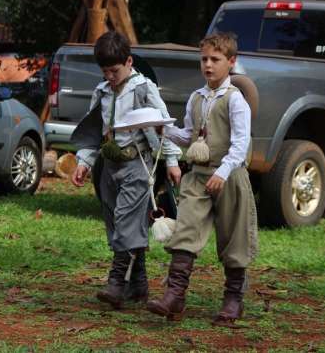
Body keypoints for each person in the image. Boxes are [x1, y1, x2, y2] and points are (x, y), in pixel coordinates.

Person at [147, 32, 258, 325]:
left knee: (234, 238)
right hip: (198, 175)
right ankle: (175, 296)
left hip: (229, 175)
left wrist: (223, 172)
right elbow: (189, 134)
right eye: (204, 59)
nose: (208, 65)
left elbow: (240, 143)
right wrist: (163, 130)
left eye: (215, 60)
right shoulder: (197, 98)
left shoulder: (236, 100)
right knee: (186, 229)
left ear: (231, 62)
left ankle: (233, 299)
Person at [70, 31, 181, 309]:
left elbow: (163, 126)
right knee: (115, 222)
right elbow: (95, 130)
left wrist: (171, 162)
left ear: (129, 62)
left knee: (126, 220)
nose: (110, 76)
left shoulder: (144, 88)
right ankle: (139, 286)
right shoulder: (102, 91)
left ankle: (116, 284)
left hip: (137, 165)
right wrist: (84, 162)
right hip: (109, 166)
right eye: (105, 70)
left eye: (114, 70)